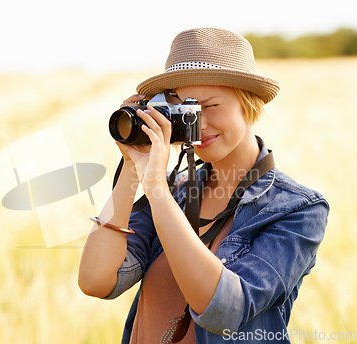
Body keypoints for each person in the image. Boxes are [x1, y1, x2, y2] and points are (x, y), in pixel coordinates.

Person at [78, 27, 329, 344]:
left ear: (248, 102)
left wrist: (157, 190)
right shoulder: (177, 192)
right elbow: (96, 281)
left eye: (209, 107)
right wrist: (133, 164)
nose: (199, 124)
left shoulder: (296, 209)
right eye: (184, 111)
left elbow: (225, 311)